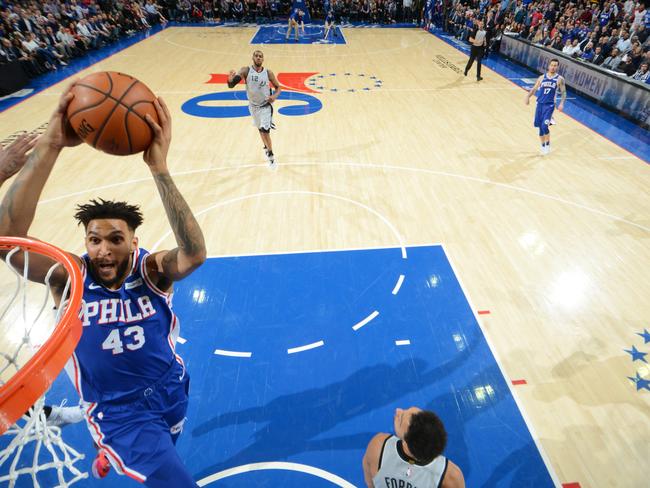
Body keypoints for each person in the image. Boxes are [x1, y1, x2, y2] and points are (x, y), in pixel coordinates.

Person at [0, 85, 206, 487]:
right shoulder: (68, 277)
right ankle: (110, 448)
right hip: (118, 414)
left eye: (116, 239)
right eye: (95, 239)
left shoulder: (151, 271)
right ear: (85, 243)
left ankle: (110, 456)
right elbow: (8, 236)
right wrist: (51, 146)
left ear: (133, 241)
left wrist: (159, 168)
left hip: (171, 387)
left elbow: (193, 254)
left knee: (167, 446)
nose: (105, 249)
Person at [362, 407, 465, 487]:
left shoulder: (378, 446)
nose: (398, 411)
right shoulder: (451, 476)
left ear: (407, 440)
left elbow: (370, 483)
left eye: (401, 418)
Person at [227, 50, 282, 169]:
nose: (258, 58)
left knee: (265, 130)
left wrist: (274, 96)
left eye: (260, 56)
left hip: (265, 106)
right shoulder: (245, 71)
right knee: (260, 130)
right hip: (253, 107)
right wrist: (230, 79)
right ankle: (266, 147)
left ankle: (271, 155)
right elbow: (231, 85)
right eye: (256, 56)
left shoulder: (268, 73)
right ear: (252, 58)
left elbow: (278, 88)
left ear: (263, 59)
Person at [525, 58, 566, 155]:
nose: (553, 67)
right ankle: (542, 145)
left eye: (555, 65)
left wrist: (562, 103)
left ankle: (547, 144)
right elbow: (534, 89)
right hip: (539, 105)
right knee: (540, 127)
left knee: (544, 126)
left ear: (558, 67)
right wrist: (528, 96)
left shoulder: (560, 79)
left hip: (549, 106)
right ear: (549, 66)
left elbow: (564, 92)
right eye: (552, 65)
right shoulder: (541, 77)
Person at [464, 17, 487, 81]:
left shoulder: (485, 32)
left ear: (483, 25)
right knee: (471, 61)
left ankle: (478, 76)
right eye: (480, 24)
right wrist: (476, 41)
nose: (481, 25)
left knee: (479, 62)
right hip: (474, 48)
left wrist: (485, 43)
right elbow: (470, 39)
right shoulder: (475, 30)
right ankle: (466, 69)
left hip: (480, 48)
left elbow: (484, 38)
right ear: (478, 25)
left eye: (482, 24)